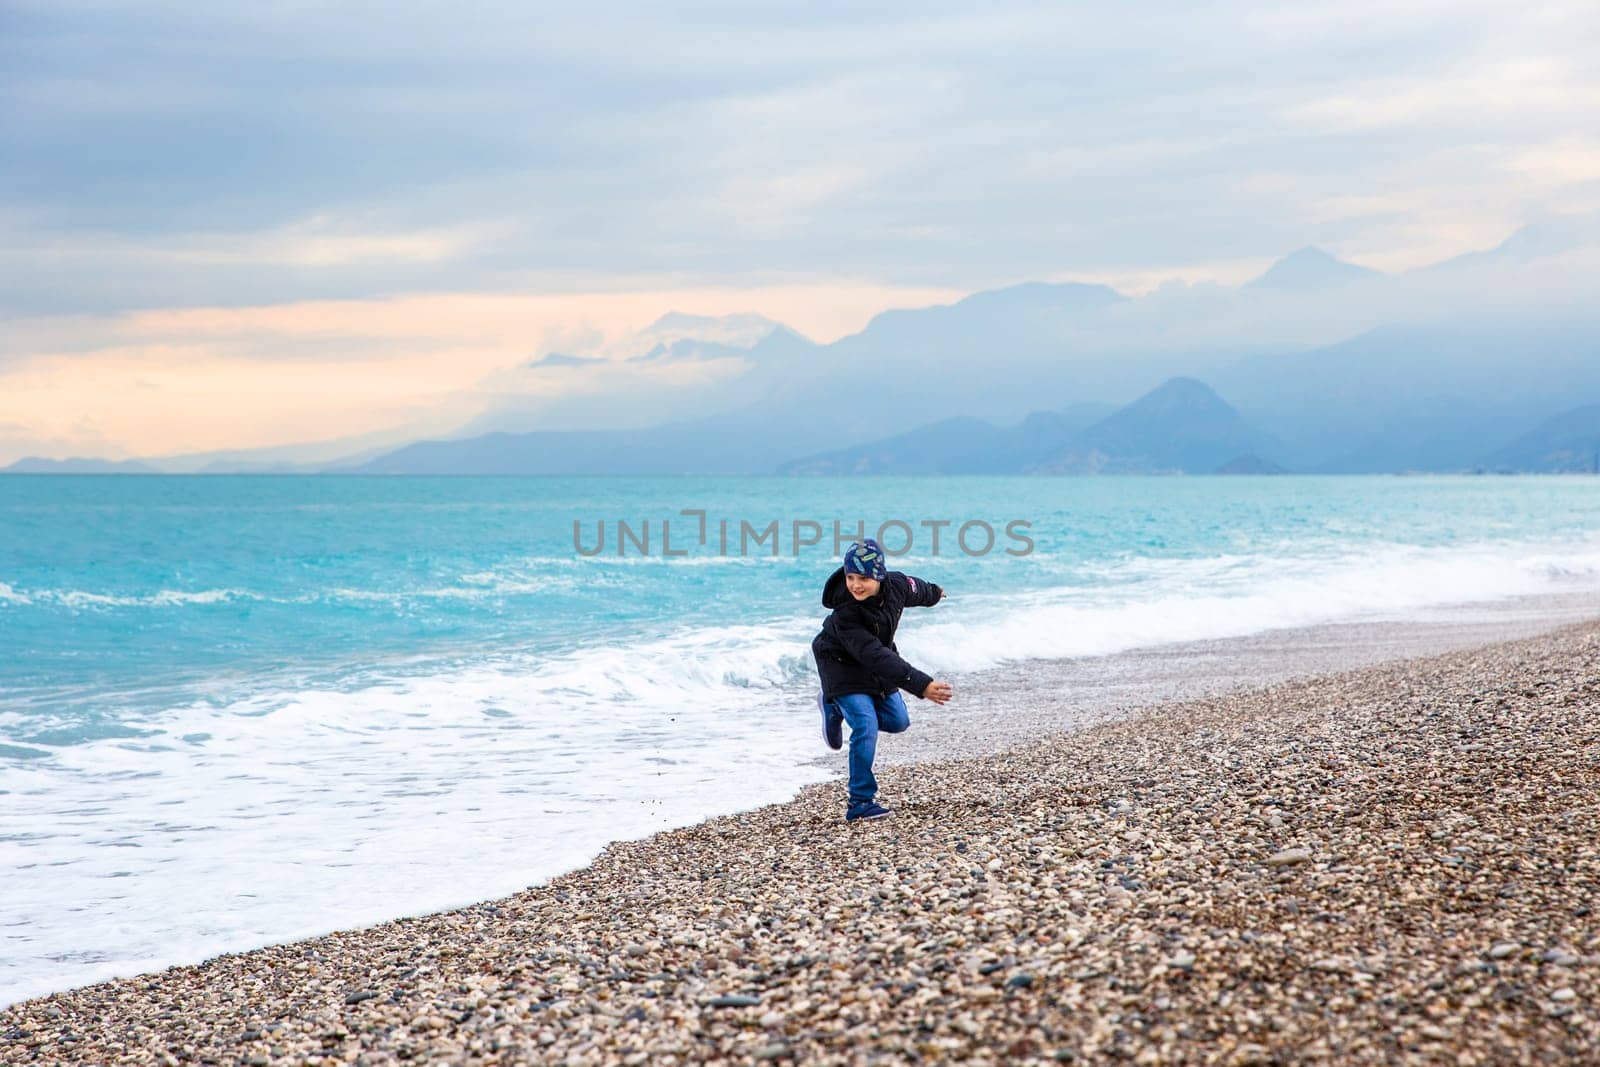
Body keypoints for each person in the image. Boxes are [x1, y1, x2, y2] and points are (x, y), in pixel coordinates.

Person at [810, 538, 952, 823]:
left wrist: (934, 593)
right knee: (866, 724)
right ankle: (860, 802)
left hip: (876, 662)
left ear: (879, 575)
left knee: (899, 721)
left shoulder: (896, 585)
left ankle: (834, 708)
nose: (855, 585)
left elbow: (916, 588)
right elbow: (874, 655)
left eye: (863, 578)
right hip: (840, 665)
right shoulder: (845, 615)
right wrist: (922, 685)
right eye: (850, 577)